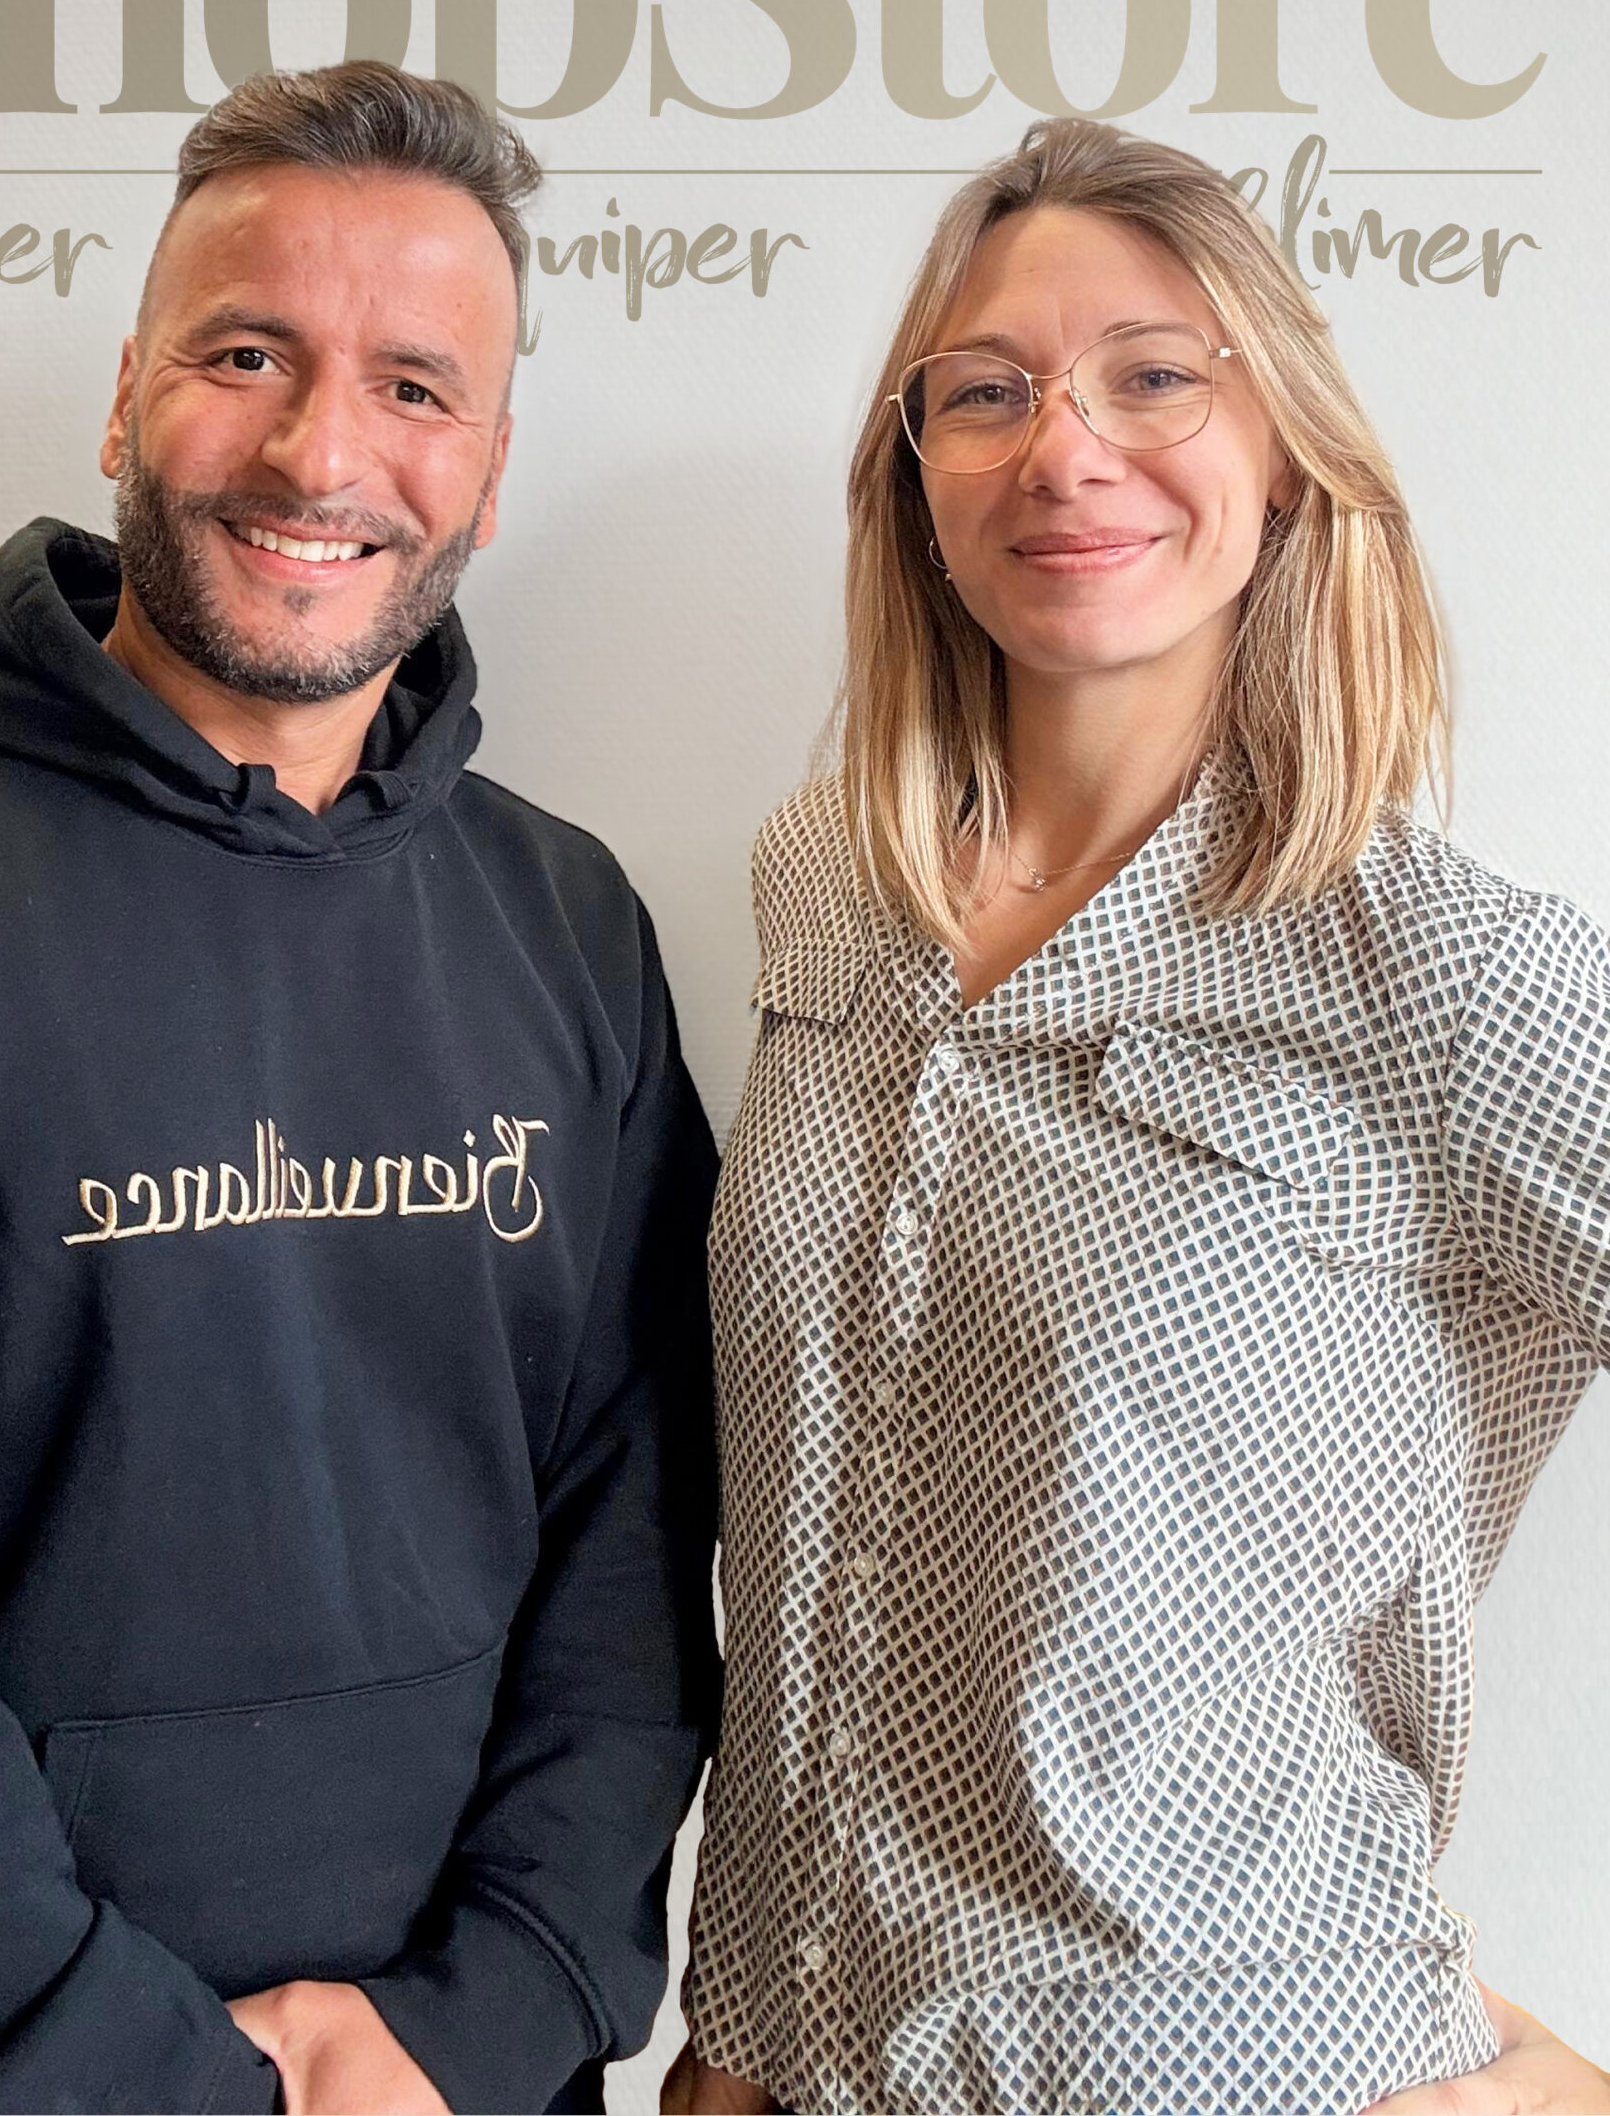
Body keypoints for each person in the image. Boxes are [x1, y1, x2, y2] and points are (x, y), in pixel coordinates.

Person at [0, 61, 719, 2116]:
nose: (323, 447)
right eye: (248, 353)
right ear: (125, 392)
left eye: (418, 387)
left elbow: (639, 1526)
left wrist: (487, 2012)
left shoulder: (565, 919)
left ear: (493, 465)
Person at [667, 119, 1610, 2116]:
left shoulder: (1430, 974)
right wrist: (735, 2036)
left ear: (1280, 450)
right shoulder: (820, 890)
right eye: (988, 391)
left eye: (1154, 374)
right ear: (916, 477)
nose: (1064, 447)